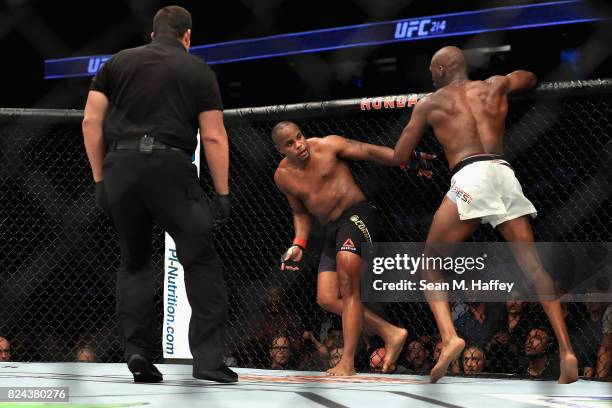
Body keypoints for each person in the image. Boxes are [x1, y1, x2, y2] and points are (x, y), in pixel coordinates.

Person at [393, 46, 578, 383]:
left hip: (469, 176)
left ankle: (450, 337)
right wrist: (511, 81)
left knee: (428, 264)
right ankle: (566, 351)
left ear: (443, 69)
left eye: (432, 70)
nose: (430, 76)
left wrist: (416, 158)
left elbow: (399, 154)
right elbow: (530, 77)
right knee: (534, 267)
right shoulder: (495, 85)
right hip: (503, 172)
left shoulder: (430, 103)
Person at [82, 5, 235, 383]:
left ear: (153, 34)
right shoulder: (196, 68)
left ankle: (137, 352)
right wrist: (222, 192)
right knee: (200, 260)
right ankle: (208, 361)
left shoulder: (117, 62)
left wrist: (101, 179)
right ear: (187, 36)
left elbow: (90, 120)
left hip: (121, 166)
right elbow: (213, 135)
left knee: (133, 263)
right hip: (170, 167)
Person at [273, 121, 434, 375]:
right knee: (326, 298)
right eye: (290, 144)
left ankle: (347, 362)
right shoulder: (282, 176)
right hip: (331, 230)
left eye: (299, 136)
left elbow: (368, 151)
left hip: (358, 215)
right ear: (280, 150)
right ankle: (390, 332)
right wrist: (299, 243)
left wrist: (406, 159)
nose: (300, 145)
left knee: (348, 281)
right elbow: (299, 212)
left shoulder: (328, 146)